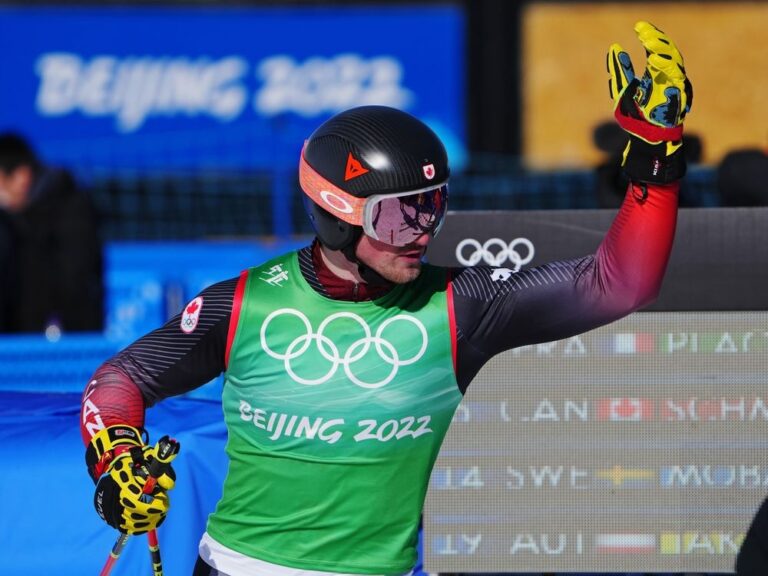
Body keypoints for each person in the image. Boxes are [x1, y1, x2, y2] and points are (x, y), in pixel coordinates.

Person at [79, 21, 692, 576]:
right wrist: (117, 460)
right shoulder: (243, 305)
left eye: (432, 207)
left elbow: (621, 283)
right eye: (399, 217)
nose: (423, 232)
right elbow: (120, 379)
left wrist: (656, 154)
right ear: (337, 217)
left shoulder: (461, 303)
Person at [0, 132, 103, 333]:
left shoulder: (70, 212)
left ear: (21, 177)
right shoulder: (13, 218)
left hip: (63, 343)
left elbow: (73, 282)